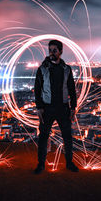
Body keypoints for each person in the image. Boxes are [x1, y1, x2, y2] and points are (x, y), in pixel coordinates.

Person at [33, 39, 79, 174]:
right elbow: (37, 89)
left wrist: (73, 107)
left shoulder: (66, 69)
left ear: (60, 52)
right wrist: (39, 107)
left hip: (63, 108)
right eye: (50, 50)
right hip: (47, 108)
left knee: (67, 137)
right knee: (43, 137)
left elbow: (72, 89)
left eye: (54, 50)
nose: (51, 53)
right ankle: (41, 164)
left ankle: (69, 163)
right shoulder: (42, 69)